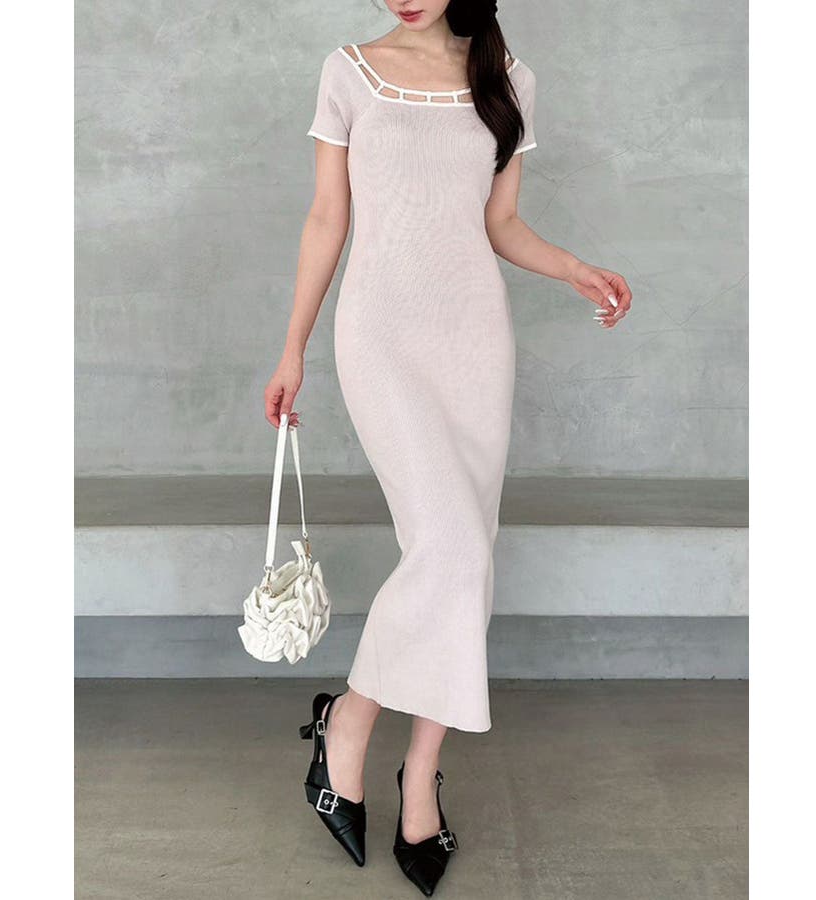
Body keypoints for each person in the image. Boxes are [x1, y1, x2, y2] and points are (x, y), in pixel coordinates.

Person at [265, 2, 632, 894]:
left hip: (473, 340)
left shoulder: (508, 80)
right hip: (380, 333)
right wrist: (292, 350)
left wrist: (573, 267)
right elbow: (327, 217)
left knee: (470, 552)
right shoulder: (349, 71)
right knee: (452, 546)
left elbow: (499, 223)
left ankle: (421, 773)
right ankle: (350, 722)